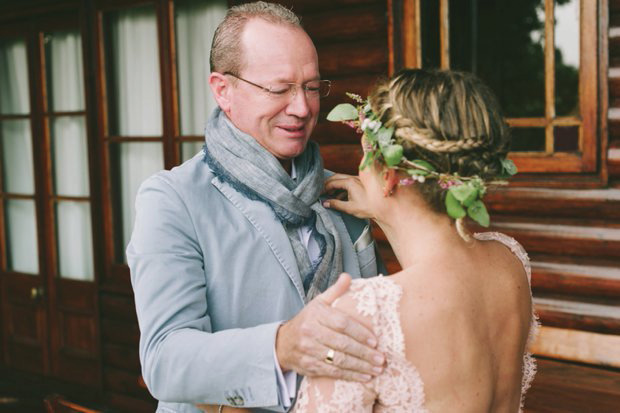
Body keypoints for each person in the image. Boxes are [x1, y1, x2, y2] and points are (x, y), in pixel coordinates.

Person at [126, 2, 386, 413]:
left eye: (312, 87)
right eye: (279, 88)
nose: (302, 108)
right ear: (222, 89)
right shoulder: (172, 198)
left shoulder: (346, 194)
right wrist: (282, 346)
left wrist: (387, 213)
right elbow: (164, 359)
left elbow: (384, 328)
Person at [293, 69, 539, 412]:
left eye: (366, 153)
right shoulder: (509, 262)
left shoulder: (363, 314)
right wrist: (383, 209)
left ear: (390, 174)